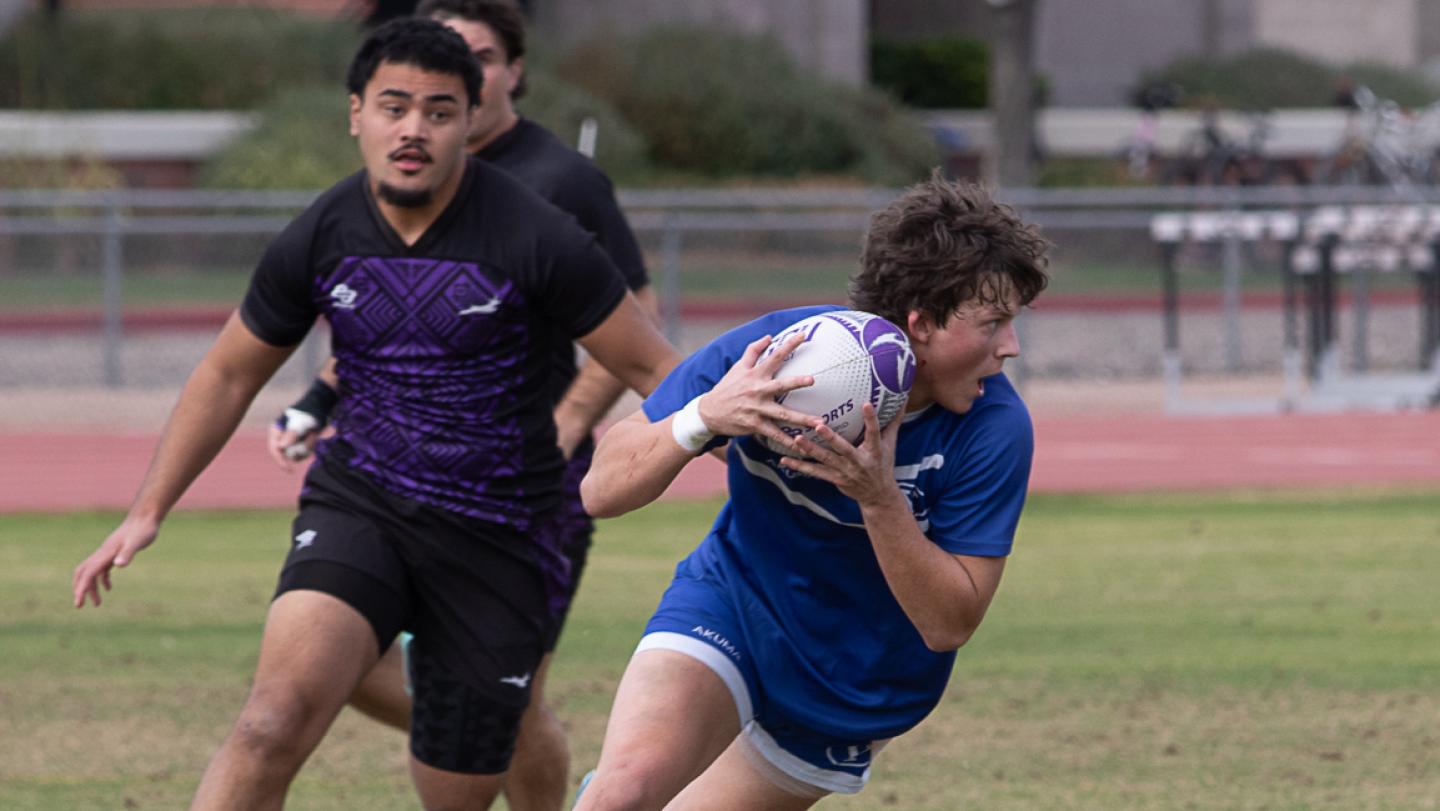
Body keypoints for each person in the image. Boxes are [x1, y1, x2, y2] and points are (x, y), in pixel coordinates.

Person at [70, 18, 677, 810]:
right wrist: (146, 510)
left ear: (471, 120)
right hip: (362, 502)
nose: (413, 129)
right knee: (270, 721)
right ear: (355, 112)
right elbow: (226, 373)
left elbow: (653, 364)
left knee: (455, 789)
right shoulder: (324, 232)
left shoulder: (536, 233)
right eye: (393, 107)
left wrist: (723, 434)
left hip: (499, 537)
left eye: (438, 110)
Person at [268, 3, 656, 808]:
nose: (459, 69)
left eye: (476, 57)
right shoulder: (397, 185)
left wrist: (573, 418)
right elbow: (394, 323)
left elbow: (636, 324)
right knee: (330, 676)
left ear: (507, 73)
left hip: (527, 484)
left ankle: (492, 729)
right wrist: (315, 398)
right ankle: (467, 709)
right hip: (390, 481)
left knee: (510, 712)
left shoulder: (561, 183)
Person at [573, 175, 1050, 809]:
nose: (1010, 348)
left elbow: (948, 623)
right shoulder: (780, 356)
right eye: (993, 323)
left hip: (853, 683)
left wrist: (880, 499)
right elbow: (601, 490)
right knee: (621, 795)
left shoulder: (994, 429)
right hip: (734, 606)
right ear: (922, 322)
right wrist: (705, 418)